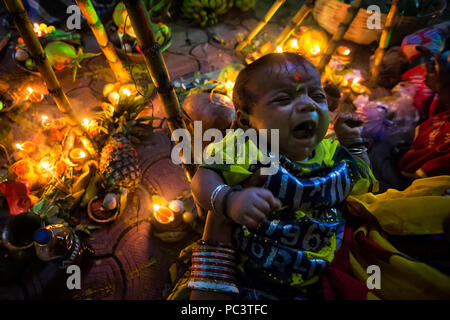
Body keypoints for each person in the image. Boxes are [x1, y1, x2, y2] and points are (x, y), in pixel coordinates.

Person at [171, 53, 377, 300]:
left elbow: (366, 186)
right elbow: (203, 178)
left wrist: (354, 145)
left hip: (325, 262)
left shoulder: (332, 151)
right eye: (284, 99)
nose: (308, 105)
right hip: (258, 272)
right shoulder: (247, 146)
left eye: (317, 96)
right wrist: (229, 201)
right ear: (246, 121)